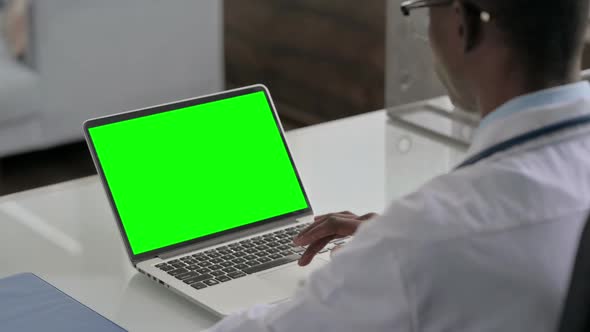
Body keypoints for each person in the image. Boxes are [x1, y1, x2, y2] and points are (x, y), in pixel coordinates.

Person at [208, 0, 590, 330]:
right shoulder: (433, 234)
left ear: (463, 23)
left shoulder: (430, 237)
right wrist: (392, 241)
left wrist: (393, 252)